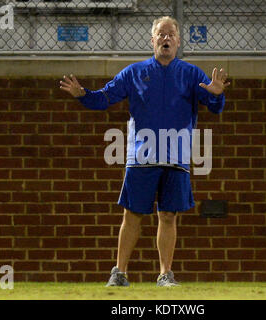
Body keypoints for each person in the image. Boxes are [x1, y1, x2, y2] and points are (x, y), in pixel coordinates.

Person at [60, 16, 230, 287]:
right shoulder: (133, 72)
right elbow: (104, 98)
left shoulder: (192, 74)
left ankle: (165, 274)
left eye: (170, 35)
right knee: (132, 214)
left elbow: (215, 107)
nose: (165, 39)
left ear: (178, 41)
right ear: (152, 41)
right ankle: (119, 272)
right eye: (160, 35)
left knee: (168, 214)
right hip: (141, 157)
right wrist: (83, 95)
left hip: (176, 157)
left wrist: (218, 93)